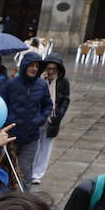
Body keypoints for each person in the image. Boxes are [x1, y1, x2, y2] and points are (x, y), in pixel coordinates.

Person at [0, 51, 52, 178]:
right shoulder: (11, 84)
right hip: (12, 136)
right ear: (25, 66)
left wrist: (40, 119)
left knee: (25, 171)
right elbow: (1, 103)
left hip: (31, 137)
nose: (34, 69)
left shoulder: (42, 85)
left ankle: (23, 197)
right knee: (8, 169)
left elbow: (48, 105)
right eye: (31, 65)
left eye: (37, 66)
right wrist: (6, 122)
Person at [29, 53, 70, 186]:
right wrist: (40, 81)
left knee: (46, 148)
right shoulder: (38, 80)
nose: (51, 71)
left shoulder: (63, 82)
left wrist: (59, 115)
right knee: (34, 146)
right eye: (48, 68)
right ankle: (30, 171)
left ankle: (38, 174)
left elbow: (65, 100)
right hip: (38, 118)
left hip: (52, 119)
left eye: (54, 69)